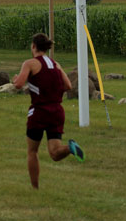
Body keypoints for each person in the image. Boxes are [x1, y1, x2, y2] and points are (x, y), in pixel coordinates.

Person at [13, 33, 84, 189]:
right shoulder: (55, 64)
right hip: (57, 112)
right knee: (55, 153)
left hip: (39, 112)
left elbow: (18, 84)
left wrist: (16, 79)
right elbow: (68, 86)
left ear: (33, 46)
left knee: (32, 151)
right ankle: (70, 148)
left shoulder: (30, 63)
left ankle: (35, 188)